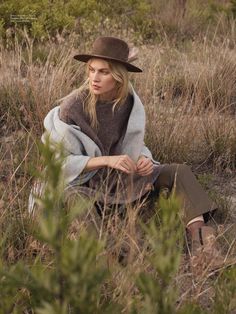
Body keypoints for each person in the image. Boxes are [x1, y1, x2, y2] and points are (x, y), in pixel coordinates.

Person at [42, 36, 234, 273]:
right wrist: (105, 160)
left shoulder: (129, 102)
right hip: (86, 183)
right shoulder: (73, 107)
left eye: (103, 72)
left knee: (177, 172)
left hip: (123, 177)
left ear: (119, 76)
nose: (94, 78)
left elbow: (132, 144)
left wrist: (144, 159)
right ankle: (109, 257)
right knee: (74, 198)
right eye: (91, 70)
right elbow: (58, 162)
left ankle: (204, 249)